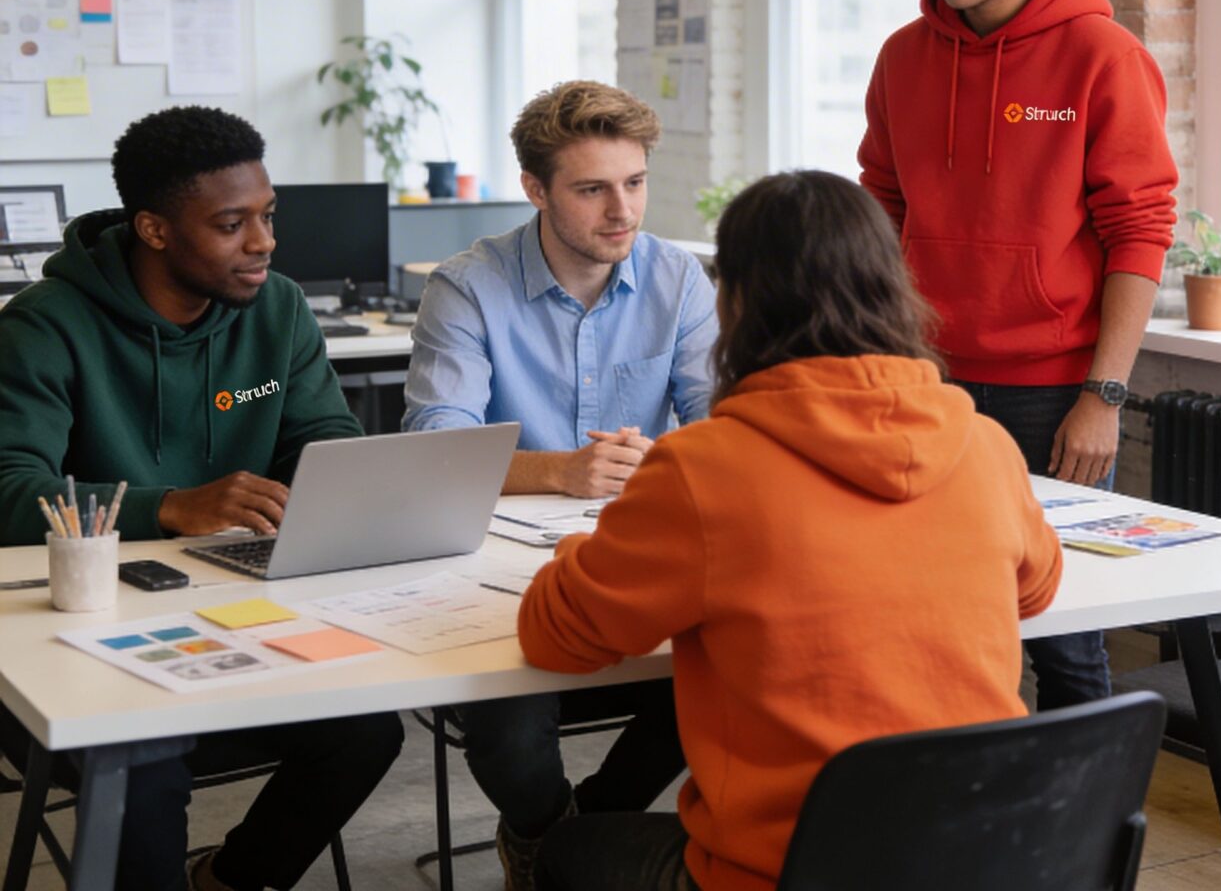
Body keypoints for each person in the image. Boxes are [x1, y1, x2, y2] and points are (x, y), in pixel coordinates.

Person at [520, 169, 1065, 891]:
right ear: (894, 289)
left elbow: (554, 636)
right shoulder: (984, 442)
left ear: (736, 301)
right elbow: (1036, 590)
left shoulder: (704, 468)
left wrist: (580, 550)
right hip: (983, 856)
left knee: (565, 850)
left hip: (783, 870)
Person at [0, 107, 402, 891]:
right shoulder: (42, 327)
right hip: (75, 642)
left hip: (241, 616)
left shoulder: (276, 307)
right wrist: (171, 507)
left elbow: (328, 440)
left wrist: (352, 490)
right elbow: (10, 492)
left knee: (366, 730)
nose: (264, 242)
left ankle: (228, 879)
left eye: (267, 214)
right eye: (231, 223)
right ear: (153, 229)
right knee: (144, 763)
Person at [858, 0, 1178, 709]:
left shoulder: (1101, 57)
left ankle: (1089, 836)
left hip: (1055, 392)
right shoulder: (902, 58)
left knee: (1066, 632)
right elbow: (881, 207)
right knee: (928, 612)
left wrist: (1102, 397)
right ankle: (968, 814)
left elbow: (1140, 230)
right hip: (931, 382)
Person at [402, 80, 710, 887]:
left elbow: (726, 423)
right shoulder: (468, 285)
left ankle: (578, 838)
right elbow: (436, 446)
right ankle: (545, 837)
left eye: (636, 183)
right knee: (507, 721)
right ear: (536, 189)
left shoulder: (678, 279)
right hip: (498, 572)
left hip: (636, 552)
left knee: (733, 658)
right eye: (592, 189)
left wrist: (687, 460)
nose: (623, 211)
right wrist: (557, 471)